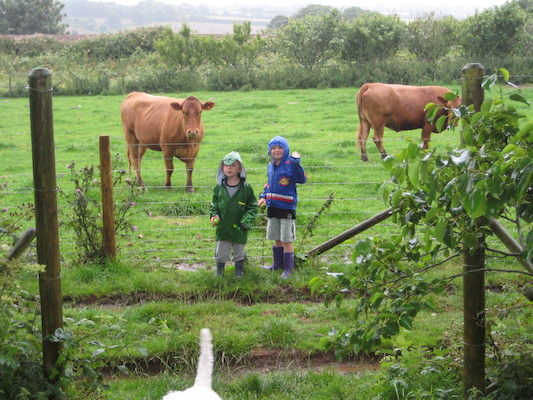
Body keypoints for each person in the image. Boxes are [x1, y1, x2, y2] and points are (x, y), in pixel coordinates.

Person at [258, 136, 307, 279]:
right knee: (276, 238)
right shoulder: (270, 166)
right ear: (269, 151)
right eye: (273, 148)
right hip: (273, 207)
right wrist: (264, 196)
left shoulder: (290, 165)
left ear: (285, 150)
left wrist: (297, 164)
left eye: (280, 148)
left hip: (286, 208)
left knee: (287, 239)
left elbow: (301, 179)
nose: (277, 150)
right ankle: (277, 265)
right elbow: (269, 183)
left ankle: (288, 270)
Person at [210, 151, 257, 277]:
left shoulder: (246, 188)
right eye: (226, 165)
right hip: (223, 227)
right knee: (221, 251)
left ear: (240, 168)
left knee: (239, 251)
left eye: (233, 165)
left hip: (240, 227)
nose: (229, 168)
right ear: (222, 168)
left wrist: (246, 221)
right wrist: (214, 215)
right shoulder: (218, 188)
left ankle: (239, 272)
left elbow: (252, 206)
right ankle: (219, 272)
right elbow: (214, 204)